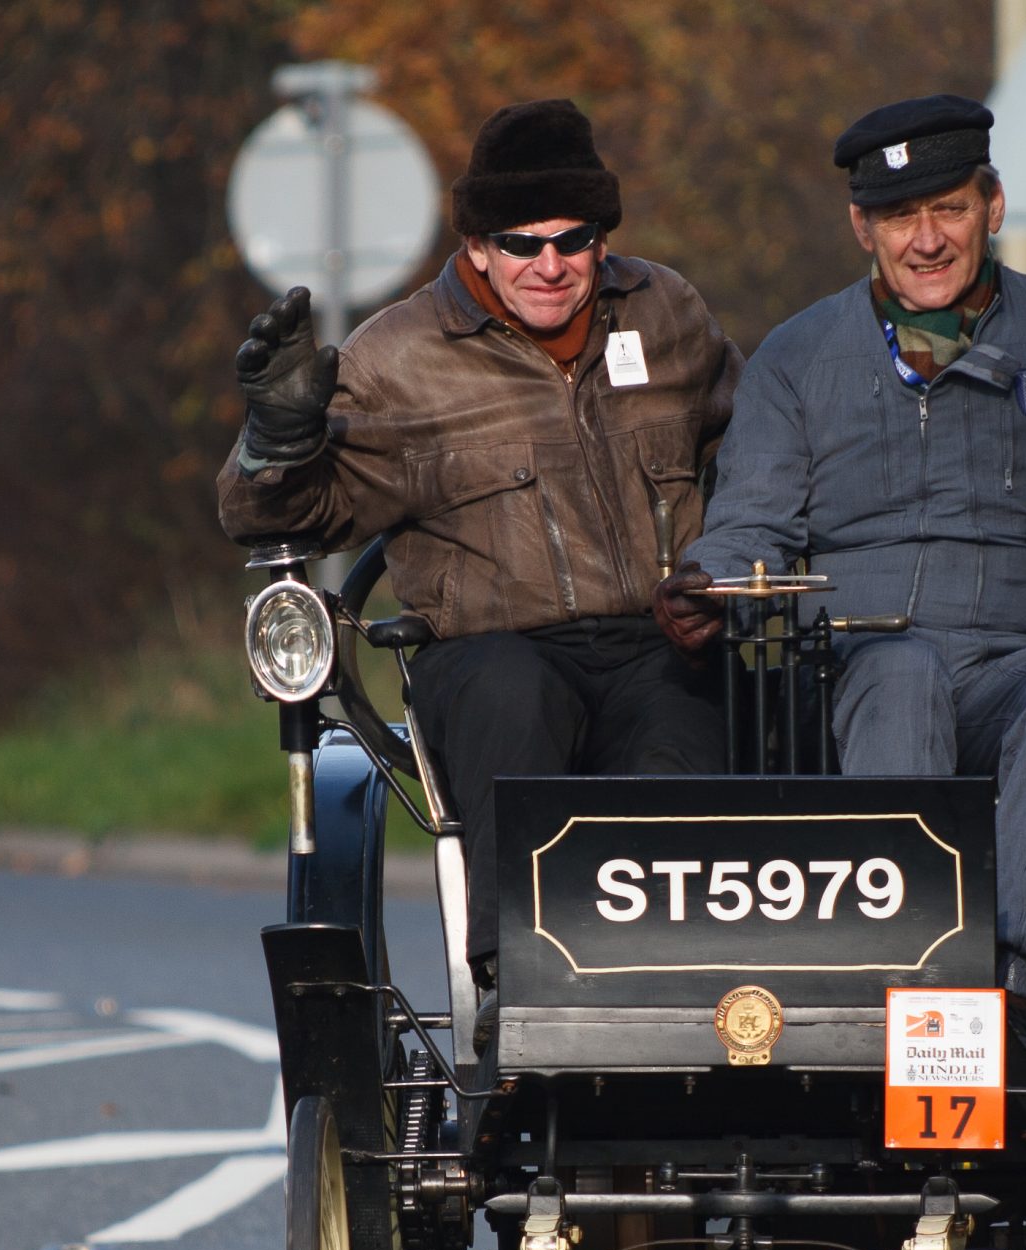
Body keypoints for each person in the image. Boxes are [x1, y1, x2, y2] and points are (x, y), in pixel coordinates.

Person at [672, 94, 1026, 1045]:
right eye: (899, 217)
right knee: (903, 673)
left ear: (992, 207)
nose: (927, 240)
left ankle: (1018, 999)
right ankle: (910, 987)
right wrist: (705, 583)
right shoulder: (797, 358)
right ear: (862, 228)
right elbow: (748, 522)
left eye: (949, 209)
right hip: (856, 664)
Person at [218, 98, 743, 1022]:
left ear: (602, 237)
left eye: (573, 240)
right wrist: (277, 438)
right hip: (486, 652)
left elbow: (762, 455)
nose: (550, 264)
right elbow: (273, 515)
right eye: (520, 242)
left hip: (654, 639)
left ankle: (688, 999)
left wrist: (741, 560)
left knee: (690, 715)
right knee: (513, 696)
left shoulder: (667, 313)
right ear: (476, 245)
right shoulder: (396, 358)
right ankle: (520, 990)